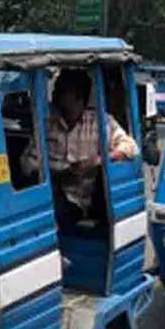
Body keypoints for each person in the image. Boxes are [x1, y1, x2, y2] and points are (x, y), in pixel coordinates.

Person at [21, 69, 138, 228]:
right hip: (49, 191)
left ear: (78, 96)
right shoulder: (47, 123)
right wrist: (57, 174)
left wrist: (98, 160)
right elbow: (27, 162)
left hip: (78, 202)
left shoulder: (100, 121)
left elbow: (130, 147)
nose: (54, 93)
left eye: (61, 90)